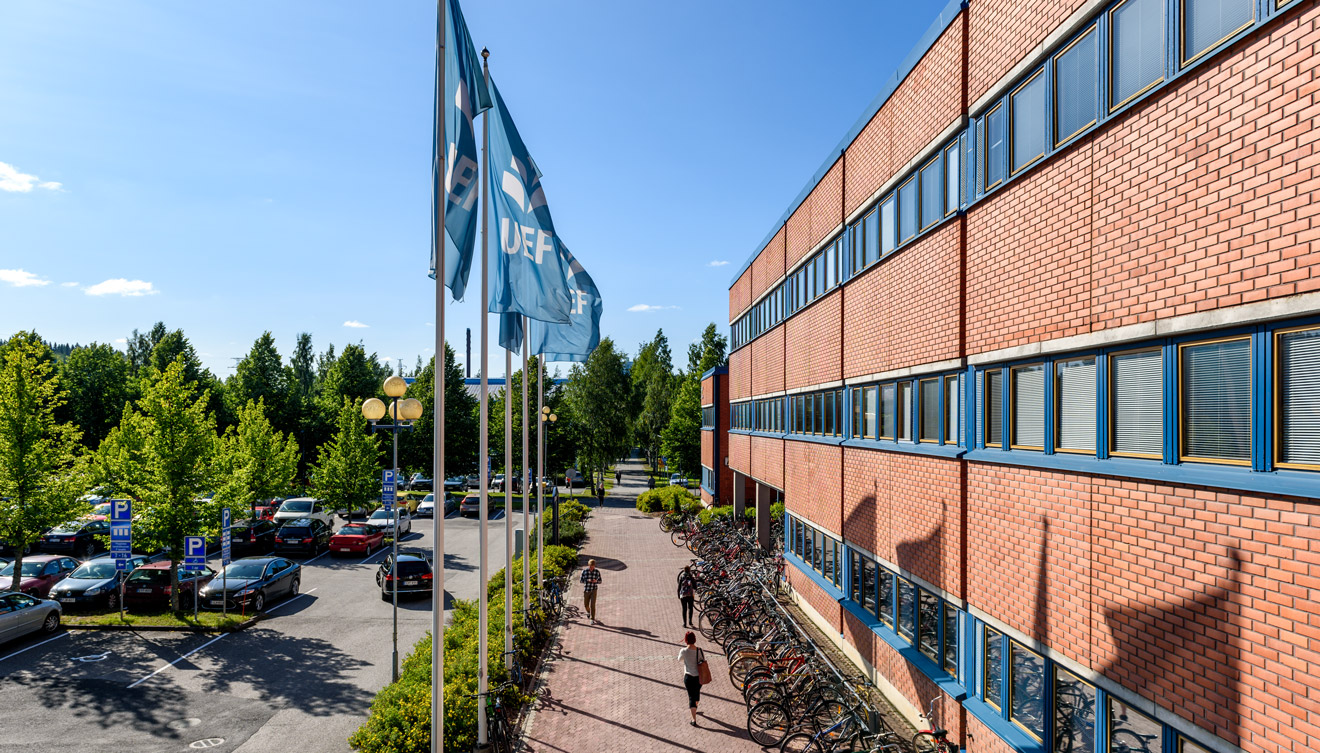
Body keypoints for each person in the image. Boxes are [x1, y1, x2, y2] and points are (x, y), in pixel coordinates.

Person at [678, 631, 704, 725]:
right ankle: (694, 709)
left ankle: (693, 720)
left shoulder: (683, 651)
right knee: (696, 694)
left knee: (691, 697)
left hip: (688, 677)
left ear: (686, 640)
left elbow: (679, 659)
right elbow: (702, 660)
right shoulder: (699, 650)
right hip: (698, 677)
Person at [580, 558, 602, 623]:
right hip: (587, 590)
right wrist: (587, 580)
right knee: (586, 604)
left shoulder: (597, 572)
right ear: (588, 565)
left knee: (593, 604)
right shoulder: (584, 572)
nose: (591, 568)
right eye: (590, 567)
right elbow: (581, 581)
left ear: (594, 566)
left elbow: (600, 581)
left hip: (594, 590)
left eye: (593, 567)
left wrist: (596, 581)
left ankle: (592, 618)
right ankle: (588, 612)